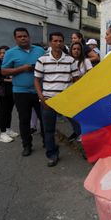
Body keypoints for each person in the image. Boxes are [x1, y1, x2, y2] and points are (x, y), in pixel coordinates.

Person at [34, 32, 80, 167]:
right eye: (55, 41)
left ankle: (87, 150)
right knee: (49, 130)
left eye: (60, 41)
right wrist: (41, 97)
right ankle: (52, 154)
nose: (58, 43)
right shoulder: (42, 60)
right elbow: (36, 80)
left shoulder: (70, 60)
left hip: (67, 101)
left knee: (79, 126)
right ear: (50, 43)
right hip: (49, 101)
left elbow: (76, 80)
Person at [1, 28, 45, 157]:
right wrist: (22, 68)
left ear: (29, 36)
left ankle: (47, 142)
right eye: (19, 37)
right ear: (15, 39)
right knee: (24, 120)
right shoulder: (10, 53)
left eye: (25, 36)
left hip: (39, 91)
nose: (23, 38)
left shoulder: (40, 50)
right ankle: (27, 145)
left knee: (44, 118)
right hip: (21, 92)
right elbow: (4, 71)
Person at [0, 45, 19, 143]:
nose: (2, 55)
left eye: (4, 53)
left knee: (9, 111)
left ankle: (8, 130)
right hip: (0, 91)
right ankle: (2, 133)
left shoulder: (12, 63)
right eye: (0, 53)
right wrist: (5, 80)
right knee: (2, 112)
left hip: (12, 90)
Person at [67, 41, 93, 142]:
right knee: (69, 113)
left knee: (82, 113)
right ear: (71, 50)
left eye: (78, 49)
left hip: (83, 91)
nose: (76, 51)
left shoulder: (86, 61)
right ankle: (78, 130)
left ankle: (84, 133)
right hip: (69, 91)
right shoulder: (67, 61)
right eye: (74, 49)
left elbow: (91, 75)